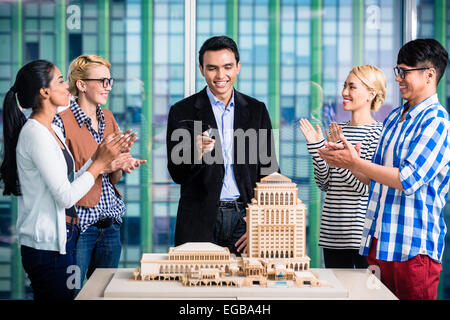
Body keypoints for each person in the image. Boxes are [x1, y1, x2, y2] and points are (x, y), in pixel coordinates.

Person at [317, 39, 449, 300]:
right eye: (397, 70)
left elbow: (407, 179)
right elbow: (372, 177)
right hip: (380, 244)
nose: (398, 78)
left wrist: (354, 161)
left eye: (405, 72)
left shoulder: (437, 122)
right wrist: (345, 160)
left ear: (429, 74)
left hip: (413, 249)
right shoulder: (393, 118)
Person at [0, 60, 135, 300]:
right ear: (44, 92)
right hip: (46, 246)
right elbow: (66, 196)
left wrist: (102, 161)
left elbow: (70, 180)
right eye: (61, 81)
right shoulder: (36, 133)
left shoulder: (50, 130)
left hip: (59, 240)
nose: (67, 87)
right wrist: (99, 163)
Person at [166, 36, 278, 255]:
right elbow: (177, 174)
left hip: (244, 220)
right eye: (212, 68)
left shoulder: (256, 110)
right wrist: (194, 154)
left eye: (227, 67)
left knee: (245, 287)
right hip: (199, 220)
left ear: (238, 67)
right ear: (201, 69)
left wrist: (259, 221)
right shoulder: (182, 111)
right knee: (199, 286)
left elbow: (269, 171)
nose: (220, 76)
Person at [52, 54, 146, 289]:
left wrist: (122, 163)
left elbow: (114, 177)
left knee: (103, 294)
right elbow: (60, 179)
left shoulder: (109, 117)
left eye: (109, 81)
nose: (108, 87)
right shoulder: (60, 122)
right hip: (79, 226)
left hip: (110, 225)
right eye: (102, 81)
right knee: (70, 293)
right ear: (81, 85)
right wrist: (105, 165)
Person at [299, 65, 386, 269]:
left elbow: (364, 187)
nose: (344, 92)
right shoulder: (338, 130)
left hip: (362, 236)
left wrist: (341, 158)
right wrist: (316, 149)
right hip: (332, 234)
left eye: (352, 87)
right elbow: (324, 183)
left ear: (371, 93)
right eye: (344, 86)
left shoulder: (378, 134)